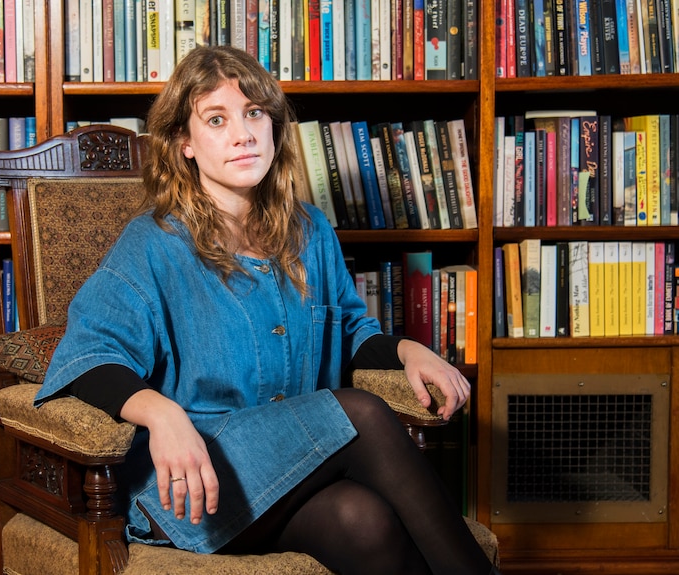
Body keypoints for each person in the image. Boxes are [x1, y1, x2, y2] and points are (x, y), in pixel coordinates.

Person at [35, 45, 498, 575]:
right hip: (196, 482)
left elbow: (348, 329)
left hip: (294, 472)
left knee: (364, 521)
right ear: (185, 143)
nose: (244, 133)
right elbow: (88, 355)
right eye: (217, 119)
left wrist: (408, 348)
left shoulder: (309, 231)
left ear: (274, 125)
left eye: (255, 113)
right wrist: (161, 414)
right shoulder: (153, 243)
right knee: (362, 413)